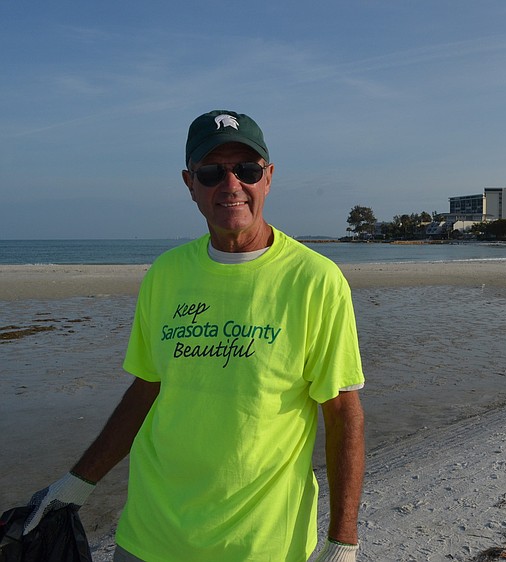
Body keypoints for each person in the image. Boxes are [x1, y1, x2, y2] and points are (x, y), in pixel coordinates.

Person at [22, 110, 366, 562]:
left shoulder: (315, 280)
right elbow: (147, 388)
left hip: (263, 547)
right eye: (211, 172)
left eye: (246, 169)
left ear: (268, 178)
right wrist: (78, 483)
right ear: (189, 183)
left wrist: (342, 541)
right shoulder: (165, 275)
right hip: (149, 538)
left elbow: (342, 413)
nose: (230, 185)